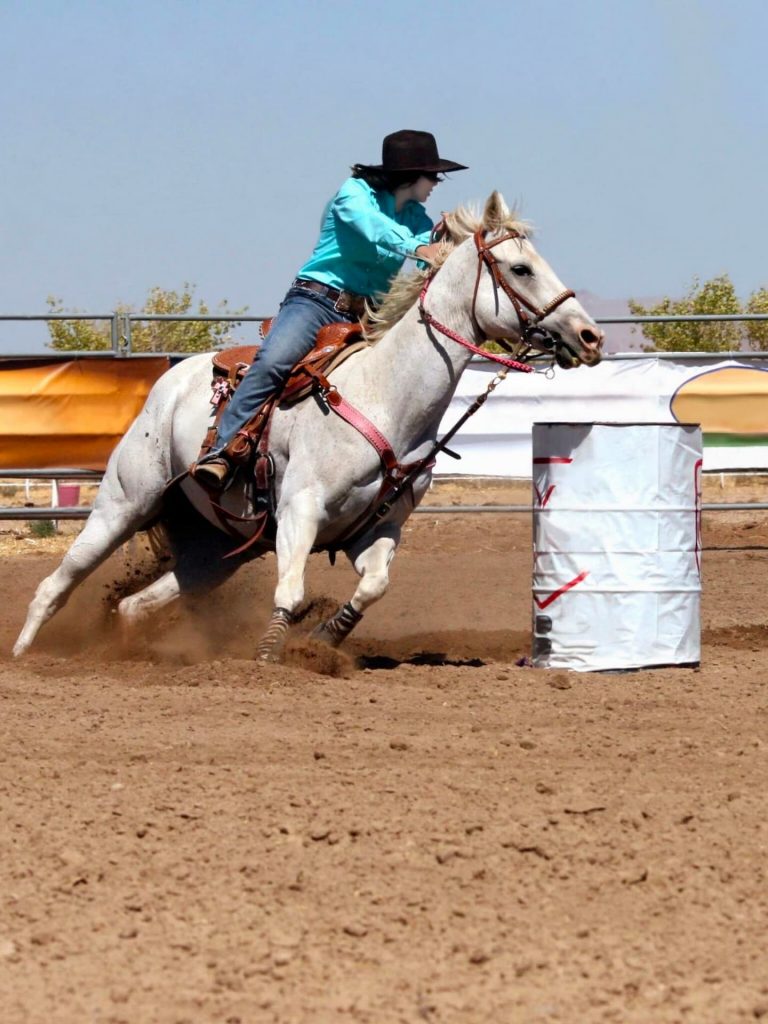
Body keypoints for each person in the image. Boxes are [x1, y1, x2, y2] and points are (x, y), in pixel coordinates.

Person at [193, 129, 468, 488]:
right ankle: (221, 450)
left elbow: (422, 262)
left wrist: (442, 242)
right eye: (432, 175)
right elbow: (375, 228)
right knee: (274, 361)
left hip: (371, 313)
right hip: (316, 300)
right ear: (411, 175)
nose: (436, 183)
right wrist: (420, 248)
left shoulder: (419, 220)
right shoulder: (354, 194)